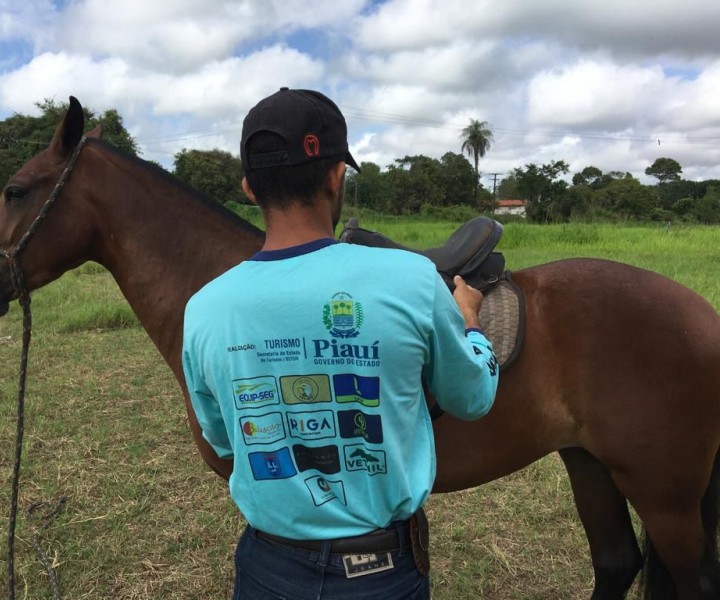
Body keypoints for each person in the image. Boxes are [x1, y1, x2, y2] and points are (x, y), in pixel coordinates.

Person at [181, 87, 499, 600]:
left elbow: (222, 440)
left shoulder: (203, 308)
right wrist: (471, 323)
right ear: (336, 176)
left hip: (268, 568)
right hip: (382, 571)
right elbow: (473, 397)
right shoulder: (413, 279)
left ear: (248, 188)